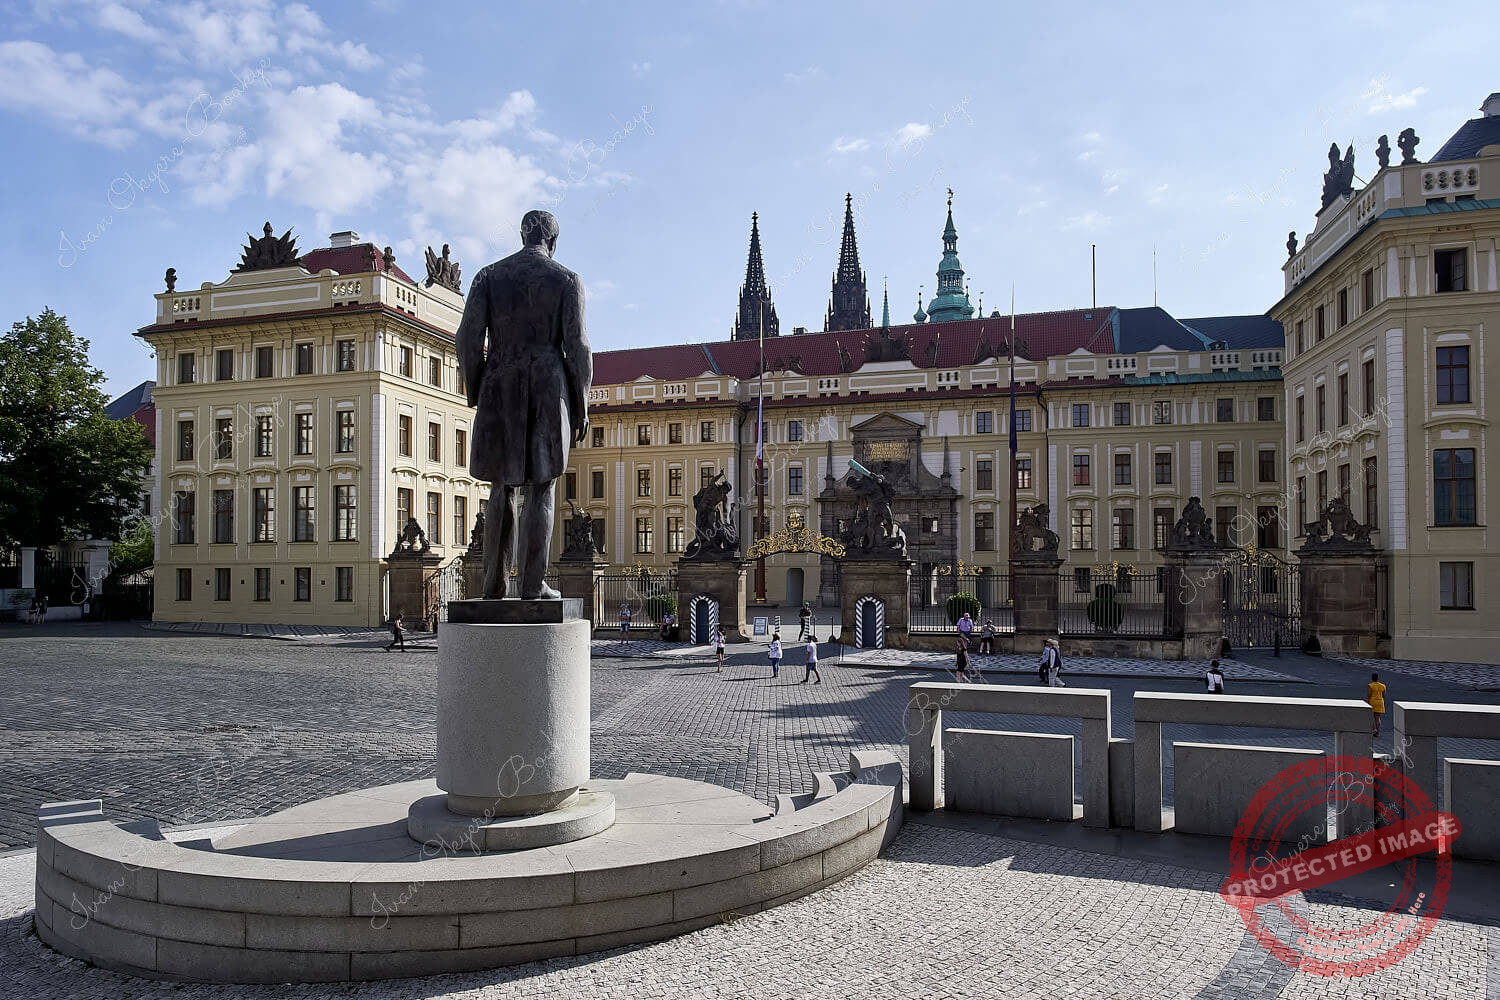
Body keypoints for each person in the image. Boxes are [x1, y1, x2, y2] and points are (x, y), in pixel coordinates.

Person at [1366, 672, 1387, 737]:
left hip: (1373, 702)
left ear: (1372, 678)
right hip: (1380, 702)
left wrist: (1366, 701)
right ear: (1378, 678)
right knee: (1377, 718)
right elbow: (1384, 695)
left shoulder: (1370, 685)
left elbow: (1369, 695)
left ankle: (1374, 729)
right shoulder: (1383, 686)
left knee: (1371, 717)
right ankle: (1377, 732)